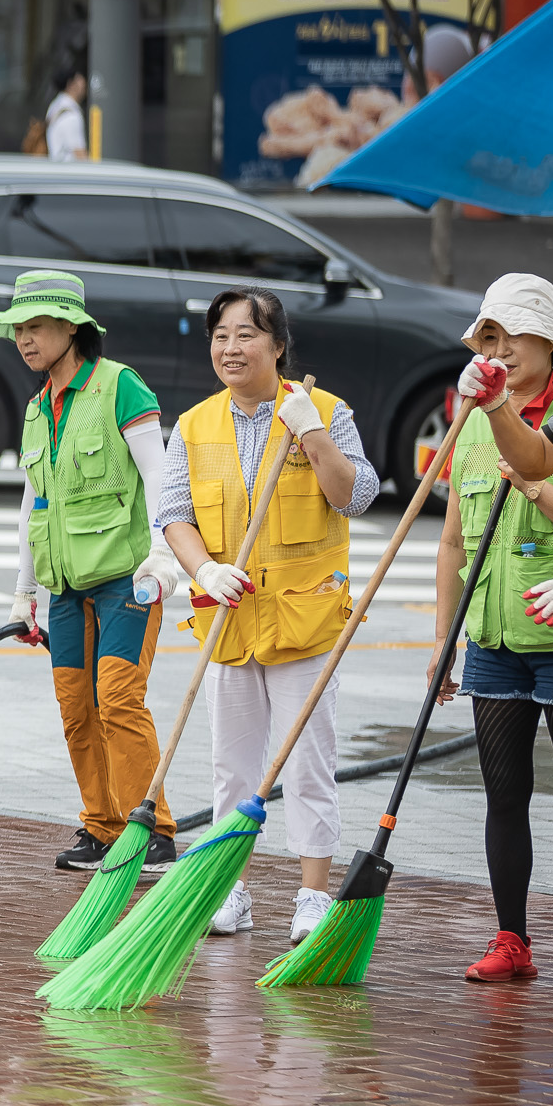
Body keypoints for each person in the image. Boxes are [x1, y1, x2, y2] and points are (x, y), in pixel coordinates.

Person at [153, 289, 377, 945]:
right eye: (220, 335)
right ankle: (231, 891)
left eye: (246, 334)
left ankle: (312, 895)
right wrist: (203, 570)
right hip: (229, 622)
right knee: (233, 768)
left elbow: (355, 495)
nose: (230, 348)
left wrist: (309, 432)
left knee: (308, 765)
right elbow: (173, 516)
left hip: (305, 623)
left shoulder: (328, 413)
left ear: (278, 344)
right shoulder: (195, 425)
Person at [0, 271, 182, 874]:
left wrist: (164, 554)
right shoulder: (39, 405)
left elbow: (161, 473)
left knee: (118, 699)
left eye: (37, 326)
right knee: (76, 706)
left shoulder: (120, 386)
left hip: (128, 575)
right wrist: (24, 592)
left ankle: (153, 831)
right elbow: (32, 503)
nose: (25, 338)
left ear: (72, 327)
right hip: (65, 586)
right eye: (18, 328)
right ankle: (101, 827)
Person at [425, 275, 553, 983]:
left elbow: (541, 470)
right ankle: (511, 939)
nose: (505, 347)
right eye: (492, 335)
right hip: (493, 638)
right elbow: (453, 542)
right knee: (504, 792)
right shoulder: (471, 420)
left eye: (517, 333)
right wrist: (442, 639)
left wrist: (538, 490)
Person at [44, 68, 89, 163]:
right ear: (71, 84)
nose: (84, 82)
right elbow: (80, 153)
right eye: (79, 79)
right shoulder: (71, 115)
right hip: (69, 172)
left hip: (56, 167)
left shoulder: (54, 106)